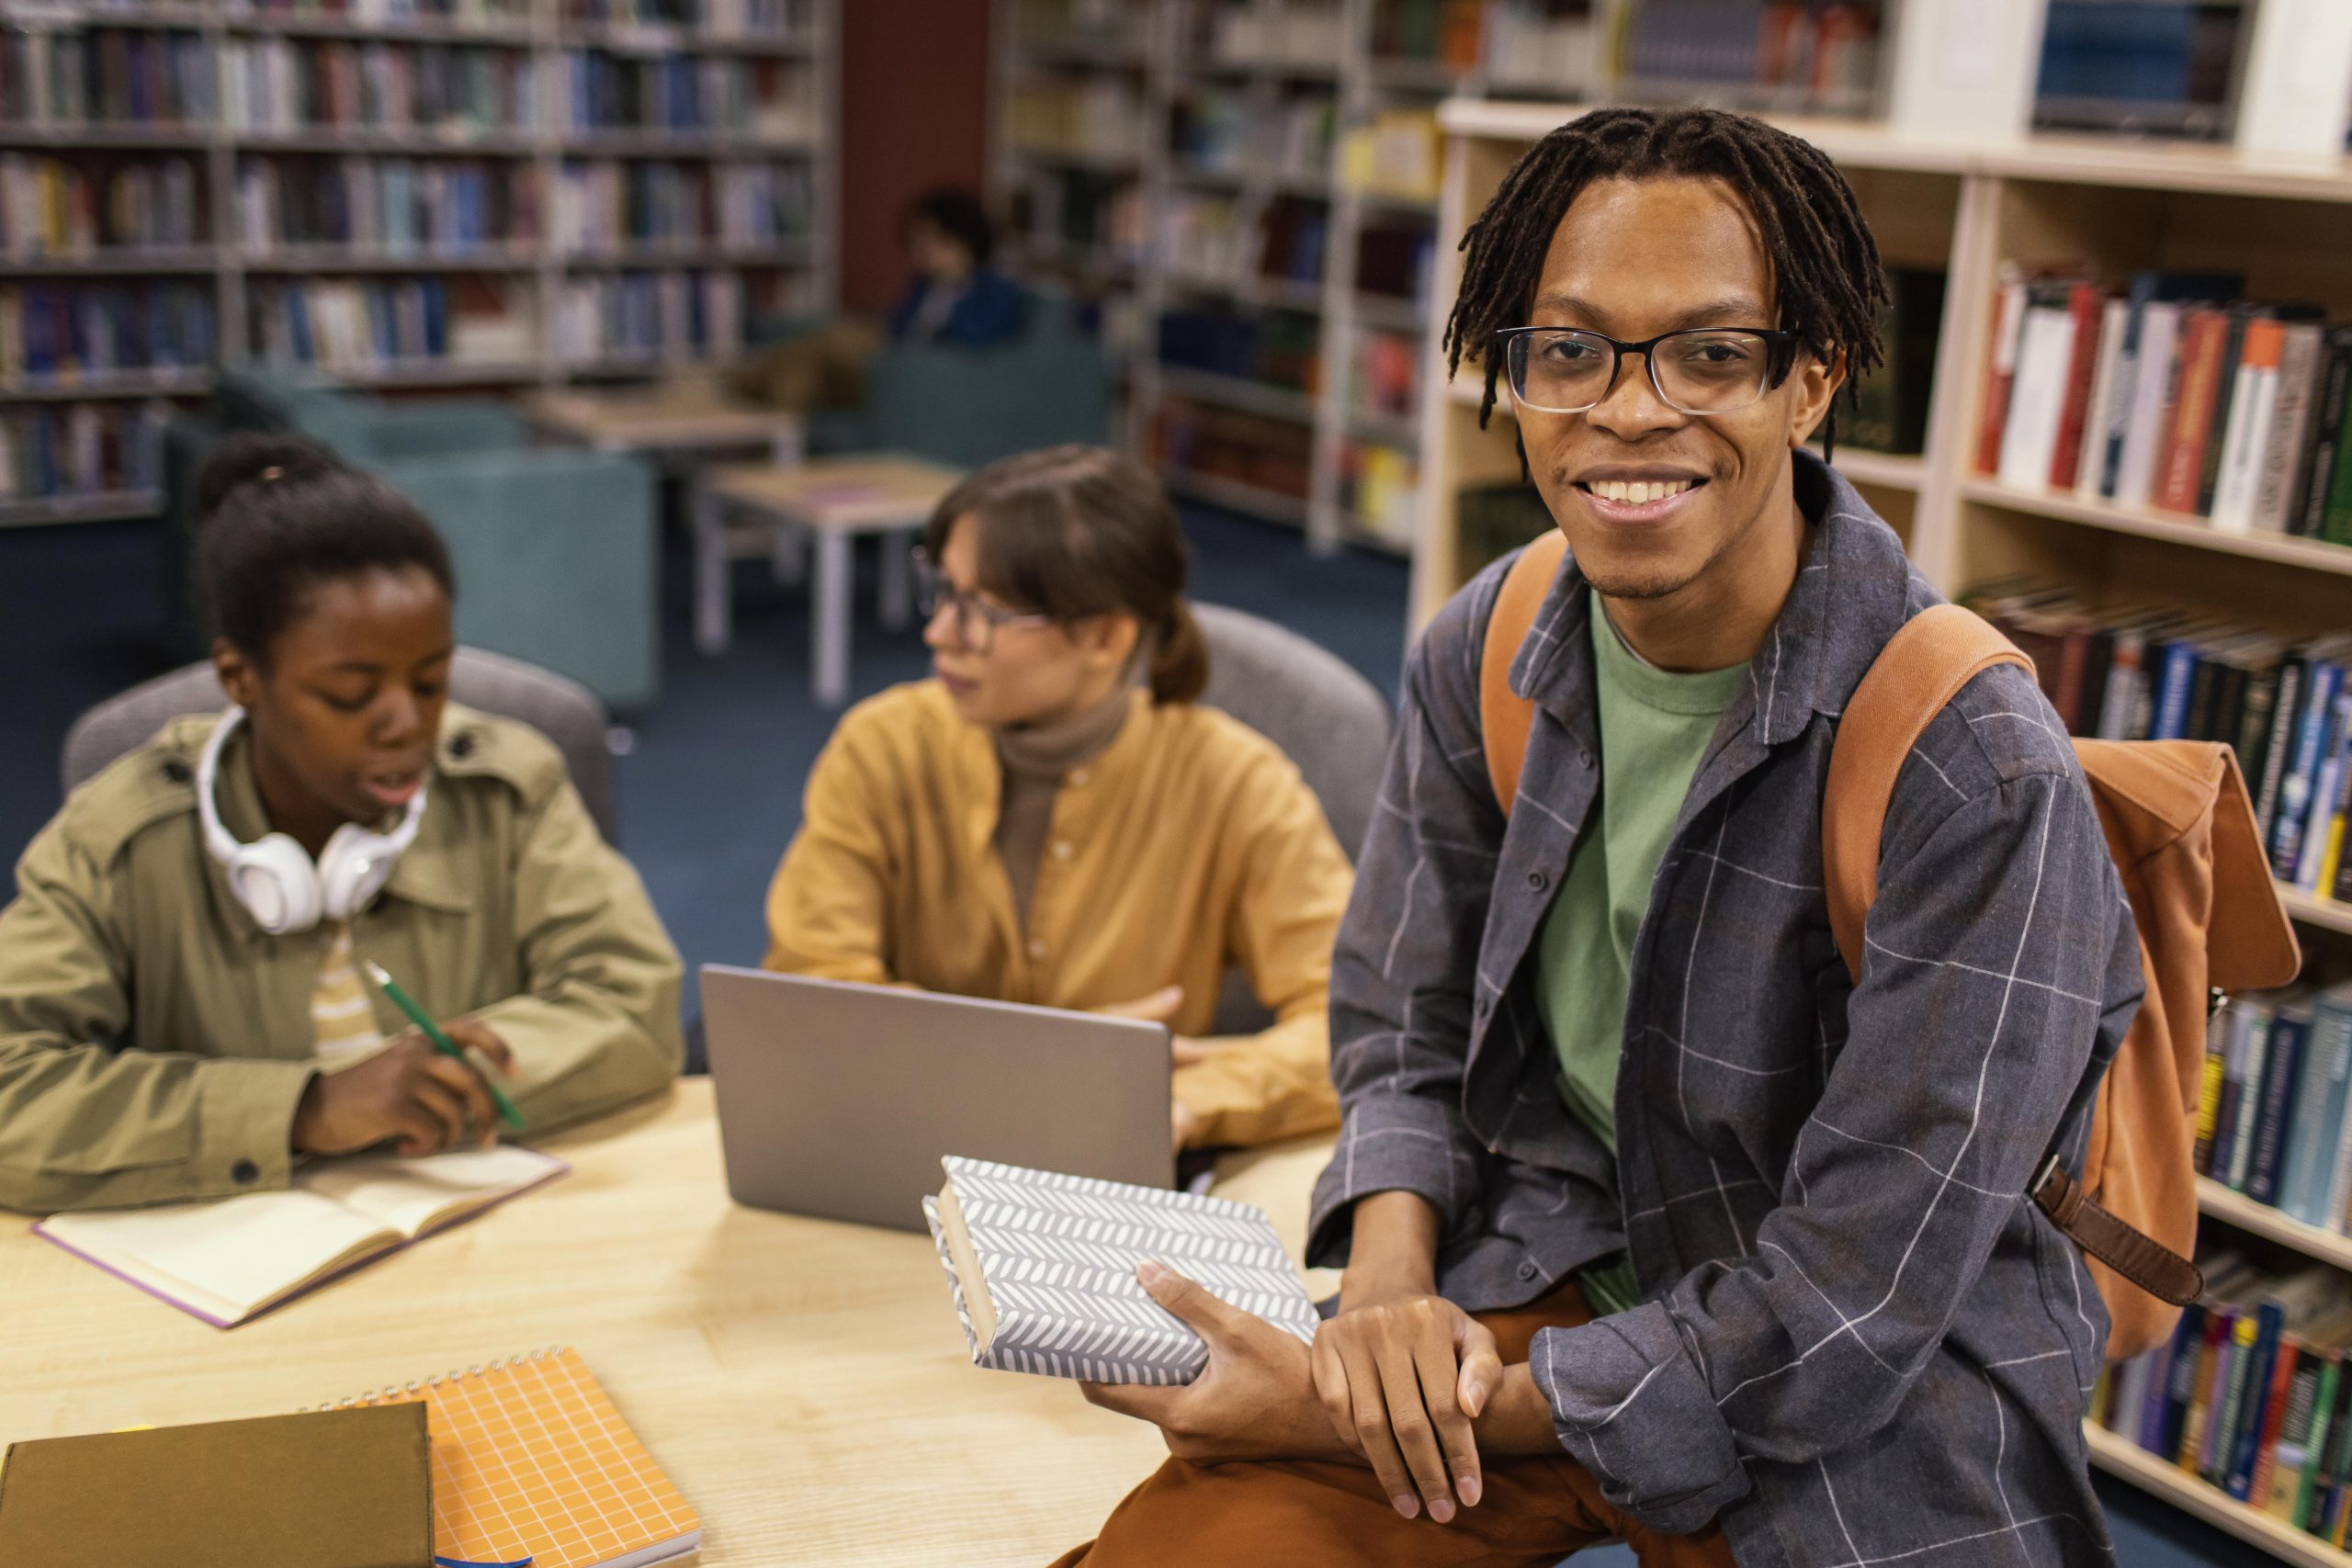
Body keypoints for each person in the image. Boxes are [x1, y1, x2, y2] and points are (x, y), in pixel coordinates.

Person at [1054, 107, 2141, 1565]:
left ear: (1813, 379)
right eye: (1568, 351)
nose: (1627, 412)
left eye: (1712, 353)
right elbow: (1399, 1021)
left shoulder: (1977, 765)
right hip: (1554, 1251)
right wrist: (1383, 1282)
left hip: (1853, 1388)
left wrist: (1369, 1406)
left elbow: (1848, 1304)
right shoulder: (1491, 634)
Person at [0, 434, 684, 1214]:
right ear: (239, 677)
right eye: (350, 695)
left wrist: (437, 1087)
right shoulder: (120, 835)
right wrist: (306, 1109)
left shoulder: (508, 787)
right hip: (235, 1248)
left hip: (480, 1230)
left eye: (430, 683)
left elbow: (634, 1005)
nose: (406, 725)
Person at [763, 445, 1352, 1152]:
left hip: (1119, 1154)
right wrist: (1048, 1061)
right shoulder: (883, 745)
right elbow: (811, 988)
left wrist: (1195, 1101)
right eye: (942, 590)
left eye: (983, 611)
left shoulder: (1235, 780)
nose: (938, 632)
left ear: (1104, 636)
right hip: (907, 1139)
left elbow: (1359, 1021)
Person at [888, 187, 1026, 349]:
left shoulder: (998, 290)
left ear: (965, 240)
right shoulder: (921, 286)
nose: (923, 250)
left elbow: (978, 340)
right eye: (916, 241)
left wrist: (957, 282)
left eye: (939, 240)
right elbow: (898, 330)